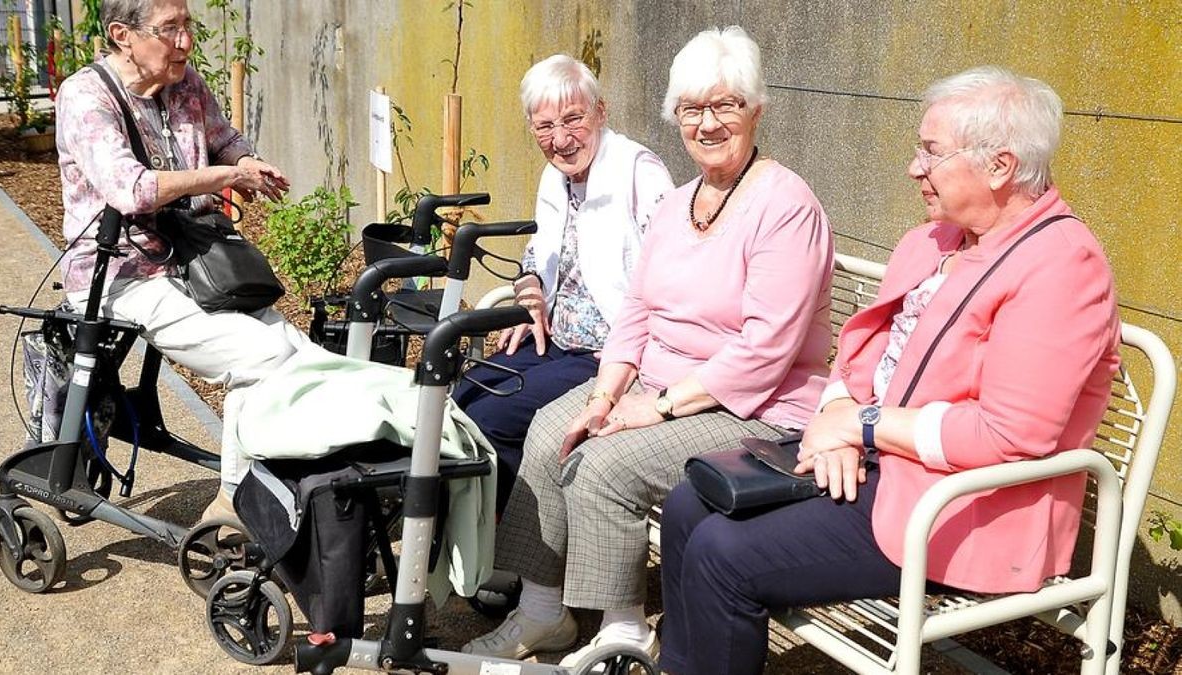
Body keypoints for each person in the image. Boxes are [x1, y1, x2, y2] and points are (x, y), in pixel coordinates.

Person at [658, 66, 1122, 675]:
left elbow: (1011, 436)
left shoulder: (1061, 267)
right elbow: (860, 354)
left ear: (1001, 166)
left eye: (930, 152)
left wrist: (863, 426)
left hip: (961, 507)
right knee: (689, 504)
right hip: (882, 470)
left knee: (725, 553)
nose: (913, 168)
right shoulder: (936, 241)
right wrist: (836, 422)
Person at [463, 26, 834, 665]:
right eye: (692, 109)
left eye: (725, 105)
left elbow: (765, 351)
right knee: (557, 430)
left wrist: (653, 409)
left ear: (756, 110)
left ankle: (623, 627)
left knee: (606, 462)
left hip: (755, 405)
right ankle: (542, 612)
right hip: (661, 381)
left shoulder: (784, 204)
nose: (708, 123)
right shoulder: (681, 202)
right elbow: (636, 307)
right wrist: (608, 391)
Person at [55, 0, 304, 520]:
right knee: (262, 356)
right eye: (170, 30)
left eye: (187, 27)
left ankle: (287, 483)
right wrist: (223, 177)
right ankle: (235, 503)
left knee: (297, 351)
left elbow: (224, 138)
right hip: (120, 273)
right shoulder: (86, 96)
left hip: (192, 257)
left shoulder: (185, 83)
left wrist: (246, 159)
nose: (186, 42)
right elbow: (132, 189)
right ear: (123, 34)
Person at [452, 54, 674, 512]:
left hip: (609, 352)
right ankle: (471, 537)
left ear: (601, 112)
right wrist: (528, 288)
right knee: (463, 395)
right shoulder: (554, 178)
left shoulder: (639, 172)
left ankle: (505, 549)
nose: (561, 139)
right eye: (545, 126)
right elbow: (537, 256)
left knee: (494, 415)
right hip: (554, 336)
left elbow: (670, 270)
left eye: (573, 119)